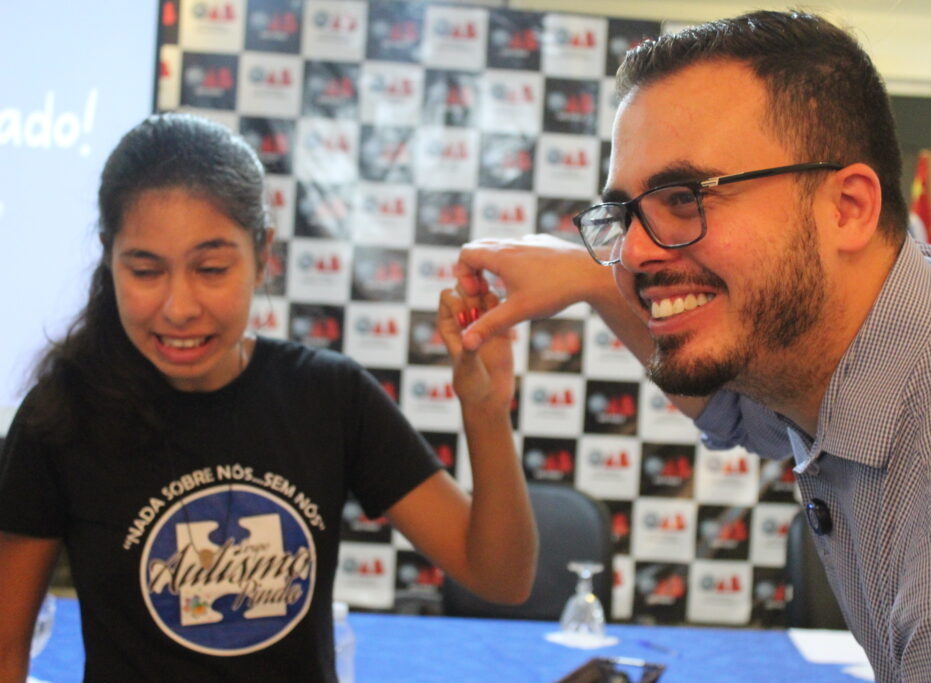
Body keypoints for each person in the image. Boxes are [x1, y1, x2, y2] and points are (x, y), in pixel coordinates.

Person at [454, 10, 931, 682]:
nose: (630, 255)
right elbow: (729, 406)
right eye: (626, 213)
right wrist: (587, 276)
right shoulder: (887, 330)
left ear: (847, 207)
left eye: (685, 196)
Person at [0, 113, 536, 682]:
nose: (179, 306)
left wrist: (485, 407)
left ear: (263, 255)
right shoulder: (61, 414)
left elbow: (501, 578)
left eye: (211, 268)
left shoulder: (328, 397)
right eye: (146, 269)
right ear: (110, 259)